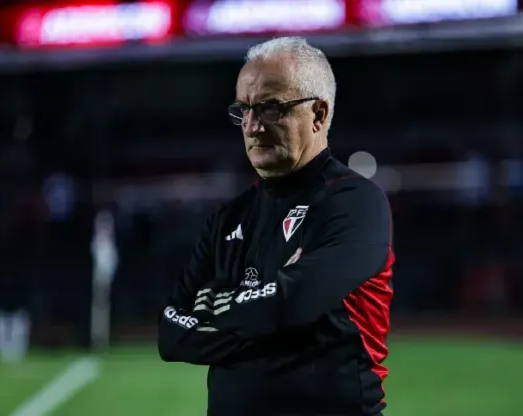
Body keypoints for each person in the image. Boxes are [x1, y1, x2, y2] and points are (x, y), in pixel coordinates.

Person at [158, 36, 395, 416]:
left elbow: (292, 302)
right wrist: (277, 317)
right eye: (244, 109)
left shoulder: (356, 203)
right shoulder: (228, 219)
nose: (251, 126)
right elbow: (171, 334)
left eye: (269, 108)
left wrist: (223, 310)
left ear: (319, 114)